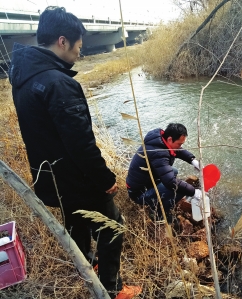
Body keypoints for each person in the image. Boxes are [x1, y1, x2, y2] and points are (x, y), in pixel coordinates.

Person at [9, 6, 140, 299]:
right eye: (79, 45)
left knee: (77, 222)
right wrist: (105, 179)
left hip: (52, 178)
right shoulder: (58, 83)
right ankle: (112, 288)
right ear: (62, 41)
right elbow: (80, 143)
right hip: (76, 177)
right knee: (113, 227)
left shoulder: (24, 77)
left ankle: (87, 267)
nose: (80, 52)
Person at [126, 123, 202, 221]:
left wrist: (193, 160)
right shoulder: (158, 153)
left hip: (144, 182)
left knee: (174, 171)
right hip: (139, 194)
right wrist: (193, 191)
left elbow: (178, 149)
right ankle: (158, 212)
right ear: (170, 139)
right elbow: (170, 182)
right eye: (180, 143)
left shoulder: (159, 140)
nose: (180, 146)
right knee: (179, 189)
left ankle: (159, 200)